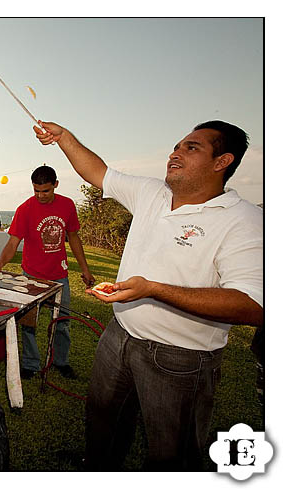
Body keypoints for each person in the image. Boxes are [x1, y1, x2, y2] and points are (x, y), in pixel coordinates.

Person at [34, 119, 263, 470]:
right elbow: (98, 172)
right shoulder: (151, 192)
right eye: (177, 145)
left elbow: (253, 305)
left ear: (222, 162)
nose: (176, 153)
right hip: (119, 335)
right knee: (102, 423)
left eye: (192, 148)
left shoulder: (243, 220)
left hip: (181, 358)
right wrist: (64, 138)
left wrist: (154, 289)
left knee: (172, 451)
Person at [0, 166, 95, 380]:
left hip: (59, 276)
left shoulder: (67, 205)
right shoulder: (25, 209)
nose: (41, 196)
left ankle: (61, 362)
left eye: (45, 191)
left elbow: (74, 238)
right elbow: (13, 242)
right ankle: (30, 364)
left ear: (55, 185)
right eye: (36, 191)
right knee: (29, 324)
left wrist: (85, 269)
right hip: (32, 275)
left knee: (62, 321)